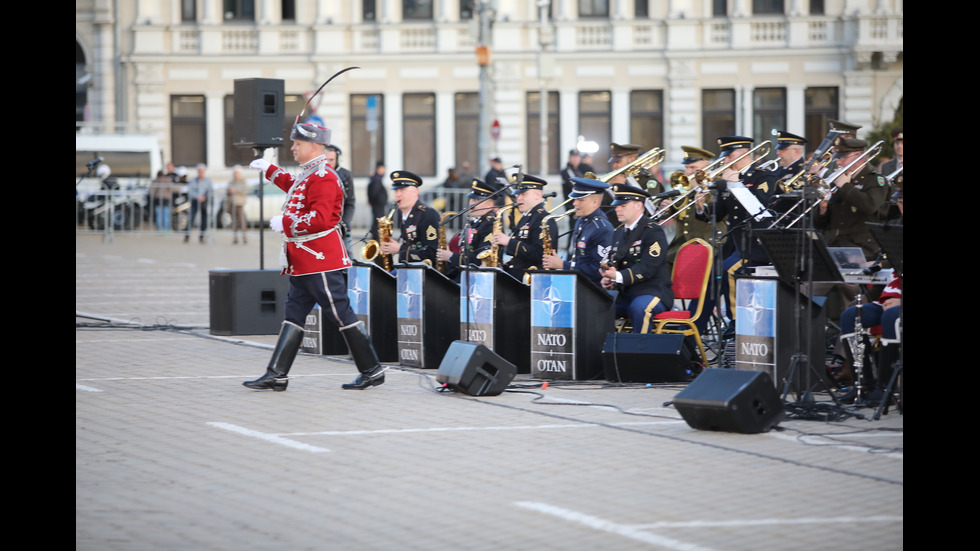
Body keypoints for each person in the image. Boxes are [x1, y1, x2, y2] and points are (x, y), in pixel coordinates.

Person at [242, 121, 385, 392]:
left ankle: (372, 369)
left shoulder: (325, 176)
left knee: (340, 313)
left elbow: (320, 219)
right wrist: (269, 170)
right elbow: (294, 187)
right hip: (303, 261)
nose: (293, 148)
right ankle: (277, 374)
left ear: (314, 146)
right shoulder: (310, 174)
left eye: (297, 144)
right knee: (293, 314)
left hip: (321, 259)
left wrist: (287, 224)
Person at [694, 136, 778, 333]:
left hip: (756, 243)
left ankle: (736, 322)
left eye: (729, 156)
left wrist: (736, 185)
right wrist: (700, 207)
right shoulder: (727, 180)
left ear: (743, 154)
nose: (725, 161)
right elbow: (717, 214)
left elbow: (761, 210)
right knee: (711, 272)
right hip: (734, 241)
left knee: (728, 270)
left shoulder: (763, 177)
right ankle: (696, 328)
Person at [599, 183, 673, 333]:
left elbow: (647, 268)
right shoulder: (619, 232)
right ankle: (603, 353)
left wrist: (618, 276)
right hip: (626, 293)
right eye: (617, 205)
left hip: (652, 291)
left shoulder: (653, 232)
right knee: (598, 307)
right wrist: (609, 278)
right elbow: (616, 262)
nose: (617, 209)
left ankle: (642, 352)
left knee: (640, 309)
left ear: (638, 205)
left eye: (623, 205)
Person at [541, 177, 613, 288]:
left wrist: (562, 264)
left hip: (592, 290)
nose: (574, 203)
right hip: (577, 284)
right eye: (575, 199)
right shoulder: (581, 221)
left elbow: (598, 270)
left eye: (580, 200)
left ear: (595, 202)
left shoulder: (602, 228)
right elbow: (578, 259)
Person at [491, 174, 558, 282]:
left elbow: (539, 254)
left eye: (523, 194)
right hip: (519, 276)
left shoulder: (544, 219)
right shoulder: (526, 217)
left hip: (533, 280)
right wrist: (504, 267)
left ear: (538, 194)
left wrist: (509, 242)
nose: (518, 199)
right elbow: (520, 258)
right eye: (518, 195)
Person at [436, 177, 502, 281]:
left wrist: (451, 257)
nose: (472, 204)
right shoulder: (473, 221)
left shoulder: (490, 224)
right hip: (464, 274)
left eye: (477, 200)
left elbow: (482, 258)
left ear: (490, 204)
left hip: (479, 279)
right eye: (472, 199)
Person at [379, 170, 441, 265]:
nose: (398, 194)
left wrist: (400, 249)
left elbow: (431, 253)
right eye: (396, 190)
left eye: (403, 190)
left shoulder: (428, 214)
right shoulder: (405, 215)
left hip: (425, 274)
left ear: (416, 191)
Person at [325, 145, 355, 257]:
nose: (328, 163)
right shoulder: (317, 175)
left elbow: (350, 202)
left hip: (343, 227)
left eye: (331, 160)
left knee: (348, 258)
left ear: (338, 159)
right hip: (324, 227)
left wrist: (345, 224)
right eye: (326, 160)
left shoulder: (346, 175)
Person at [184, 163, 212, 243]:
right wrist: (198, 196)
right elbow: (190, 191)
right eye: (199, 171)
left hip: (204, 201)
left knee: (204, 219)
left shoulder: (207, 181)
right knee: (191, 218)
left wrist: (204, 197)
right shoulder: (193, 181)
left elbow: (210, 190)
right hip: (195, 201)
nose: (201, 172)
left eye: (202, 171)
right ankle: (187, 235)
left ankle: (202, 236)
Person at [227, 164, 249, 244]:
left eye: (237, 173)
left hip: (239, 203)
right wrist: (229, 191)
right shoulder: (231, 181)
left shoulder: (243, 181)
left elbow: (245, 191)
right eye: (235, 173)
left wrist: (235, 190)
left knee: (241, 220)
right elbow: (227, 191)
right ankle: (235, 237)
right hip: (232, 203)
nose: (236, 174)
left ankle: (244, 236)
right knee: (234, 221)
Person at [366, 160, 388, 241]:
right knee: (377, 222)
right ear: (379, 168)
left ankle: (376, 237)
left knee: (377, 221)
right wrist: (372, 200)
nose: (384, 170)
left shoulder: (376, 178)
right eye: (383, 168)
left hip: (378, 204)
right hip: (377, 205)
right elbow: (373, 192)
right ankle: (376, 238)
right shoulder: (376, 179)